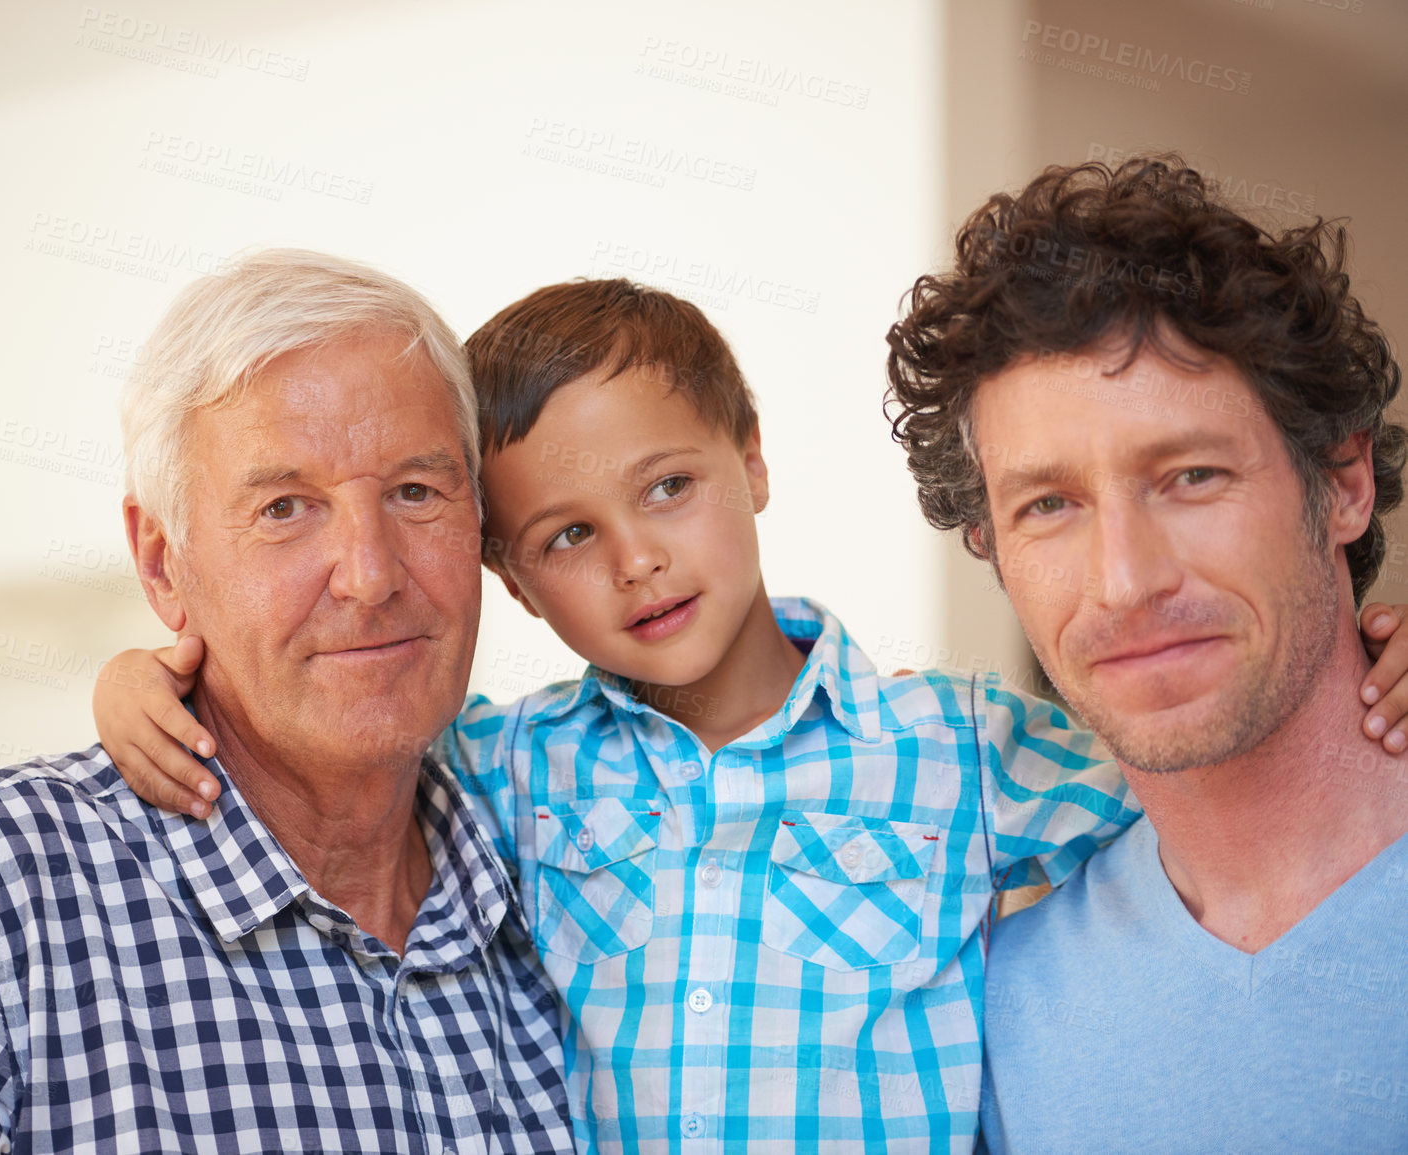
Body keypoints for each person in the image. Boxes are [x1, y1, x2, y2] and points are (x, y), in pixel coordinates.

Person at [94, 271, 1408, 1153]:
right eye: (565, 532)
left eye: (667, 486)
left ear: (753, 460)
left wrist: (1372, 654)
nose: (636, 559)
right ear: (508, 578)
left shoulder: (957, 748)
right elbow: (322, 745)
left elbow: (1214, 764)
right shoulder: (499, 770)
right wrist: (144, 677)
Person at [0, 251, 577, 1153]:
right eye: (284, 507)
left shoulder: (568, 875)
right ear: (162, 562)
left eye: (414, 491)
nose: (369, 575)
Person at [885, 155, 1408, 1152]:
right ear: (990, 545)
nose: (1126, 580)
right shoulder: (978, 1015)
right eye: (1049, 506)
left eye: (1192, 476)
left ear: (1344, 481)